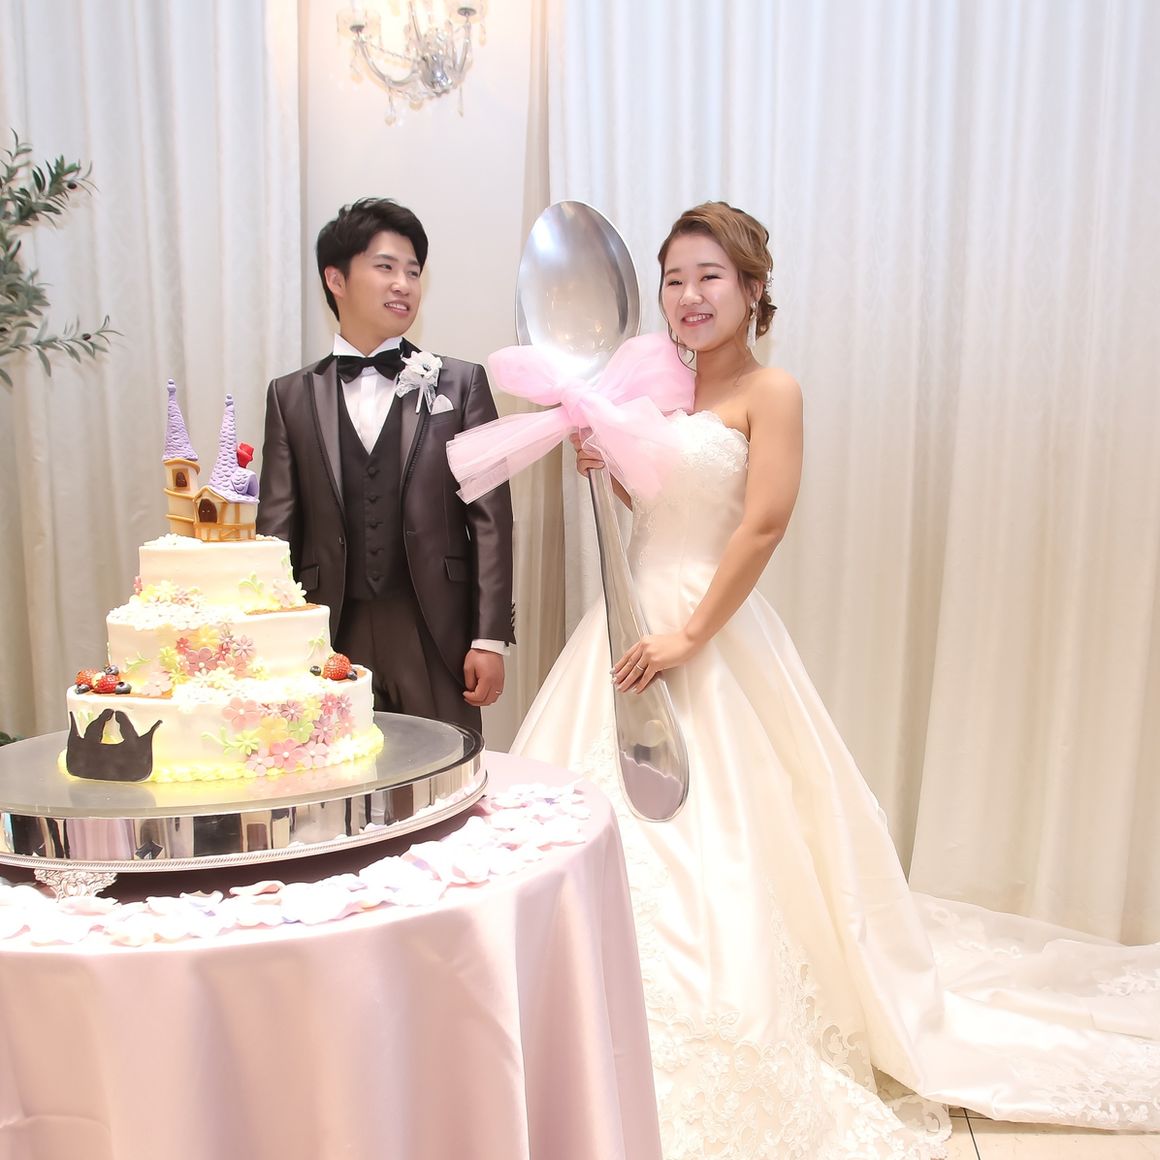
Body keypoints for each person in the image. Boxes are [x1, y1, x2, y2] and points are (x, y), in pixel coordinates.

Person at [512, 202, 1160, 1157]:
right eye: (675, 279)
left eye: (710, 276)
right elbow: (652, 503)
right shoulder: (654, 389)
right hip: (625, 622)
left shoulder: (771, 392)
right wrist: (604, 463)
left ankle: (721, 1016)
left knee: (722, 830)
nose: (689, 296)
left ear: (752, 289)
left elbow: (761, 524)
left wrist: (690, 635)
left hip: (705, 627)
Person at [258, 198, 514, 732]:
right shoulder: (290, 396)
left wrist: (488, 638)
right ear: (336, 279)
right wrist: (274, 639)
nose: (403, 284)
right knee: (336, 770)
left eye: (413, 272)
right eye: (386, 267)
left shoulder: (462, 384)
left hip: (435, 631)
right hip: (329, 634)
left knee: (445, 766)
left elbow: (491, 518)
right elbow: (277, 529)